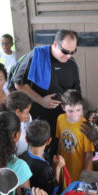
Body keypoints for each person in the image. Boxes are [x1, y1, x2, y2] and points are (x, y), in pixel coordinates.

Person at [12, 29, 81, 158]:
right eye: (65, 51)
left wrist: (73, 110)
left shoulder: (71, 64)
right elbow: (18, 84)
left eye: (73, 52)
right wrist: (41, 100)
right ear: (55, 44)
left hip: (61, 118)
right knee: (37, 156)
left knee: (57, 155)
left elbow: (76, 92)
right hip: (37, 118)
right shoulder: (35, 57)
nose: (69, 56)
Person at [21, 120, 65, 195]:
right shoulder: (45, 169)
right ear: (49, 141)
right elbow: (53, 191)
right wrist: (58, 168)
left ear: (26, 139)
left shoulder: (24, 155)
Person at [56, 89, 94, 181]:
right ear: (63, 108)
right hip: (65, 170)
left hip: (80, 173)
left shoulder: (85, 126)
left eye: (78, 110)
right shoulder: (60, 119)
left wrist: (85, 175)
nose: (75, 114)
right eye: (70, 111)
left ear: (82, 107)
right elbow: (60, 141)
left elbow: (89, 154)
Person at [0, 91, 32, 156]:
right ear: (18, 112)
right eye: (27, 112)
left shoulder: (23, 119)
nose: (28, 115)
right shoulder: (8, 129)